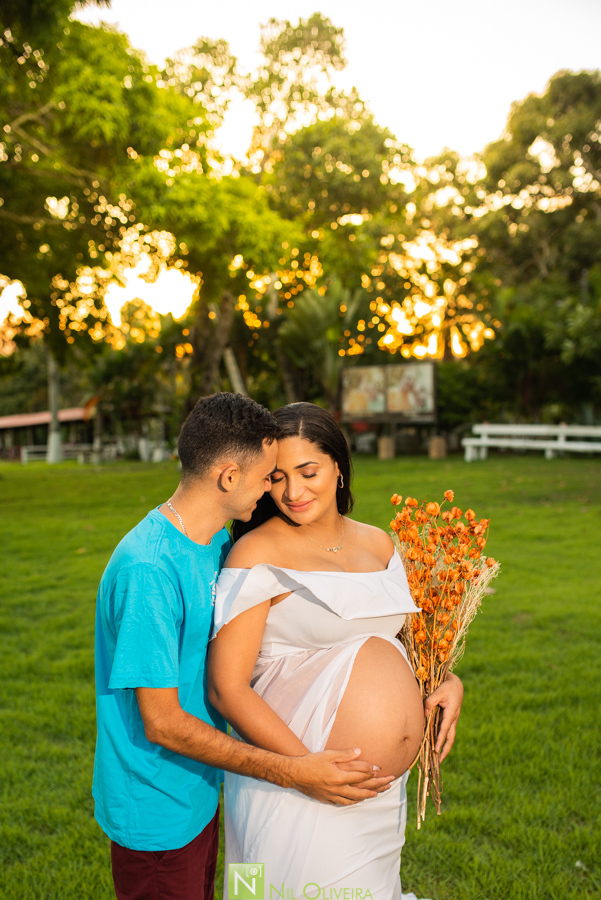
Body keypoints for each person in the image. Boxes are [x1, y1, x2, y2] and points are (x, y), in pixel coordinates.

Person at [93, 393, 395, 900]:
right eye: (268, 476)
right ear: (229, 478)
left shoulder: (209, 541)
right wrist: (294, 772)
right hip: (156, 806)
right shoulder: (149, 570)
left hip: (200, 788)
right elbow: (162, 721)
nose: (275, 491)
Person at [208, 402, 464, 900]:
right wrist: (304, 770)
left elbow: (403, 647)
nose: (293, 492)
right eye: (277, 477)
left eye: (309, 471)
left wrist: (449, 682)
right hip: (293, 778)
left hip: (374, 795)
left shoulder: (381, 546)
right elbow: (226, 688)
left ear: (338, 467)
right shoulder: (255, 553)